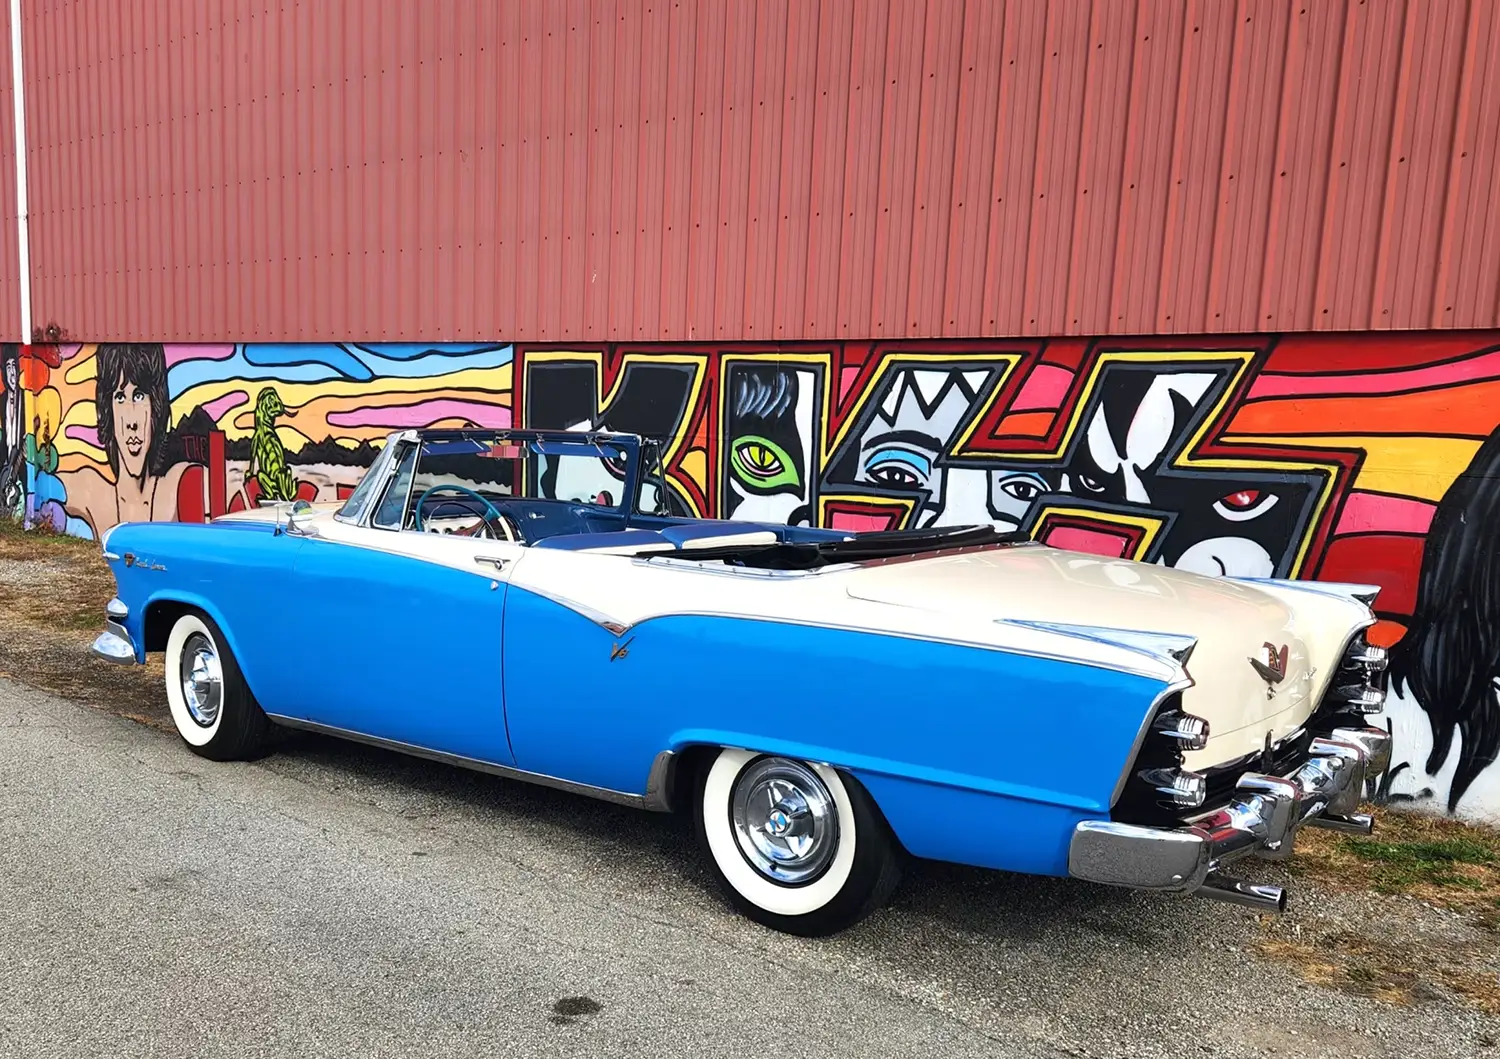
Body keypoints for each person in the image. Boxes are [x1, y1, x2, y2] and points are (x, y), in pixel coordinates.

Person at [61, 344, 200, 536]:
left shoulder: (175, 485)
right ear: (107, 410)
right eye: (119, 398)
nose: (131, 422)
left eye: (139, 396)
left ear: (156, 407)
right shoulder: (87, 491)